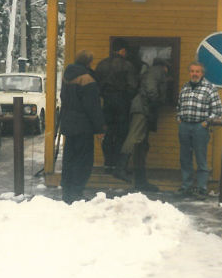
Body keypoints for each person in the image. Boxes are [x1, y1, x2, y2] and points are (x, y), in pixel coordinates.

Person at [114, 57, 170, 192]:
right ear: (165, 66)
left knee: (141, 145)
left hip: (143, 107)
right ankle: (120, 168)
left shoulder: (151, 70)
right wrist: (155, 100)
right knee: (135, 138)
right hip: (143, 108)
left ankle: (140, 181)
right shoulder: (157, 71)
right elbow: (151, 88)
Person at [59, 50, 105, 204]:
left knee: (69, 159)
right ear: (89, 62)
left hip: (68, 123)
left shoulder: (66, 75)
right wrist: (99, 129)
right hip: (83, 126)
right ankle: (77, 193)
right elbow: (93, 107)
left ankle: (66, 192)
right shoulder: (87, 79)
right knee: (83, 161)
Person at [176, 61, 222, 199]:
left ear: (202, 73)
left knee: (201, 159)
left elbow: (218, 111)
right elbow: (178, 106)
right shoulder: (185, 88)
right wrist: (178, 117)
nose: (194, 74)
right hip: (184, 126)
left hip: (200, 128)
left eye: (197, 71)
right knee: (185, 158)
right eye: (192, 71)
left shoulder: (210, 89)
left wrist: (206, 123)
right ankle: (186, 186)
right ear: (189, 72)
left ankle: (202, 188)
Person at [94, 39, 138, 172]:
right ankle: (118, 164)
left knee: (107, 133)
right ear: (122, 51)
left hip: (107, 102)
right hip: (122, 102)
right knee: (121, 133)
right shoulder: (127, 65)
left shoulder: (101, 64)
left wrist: (105, 95)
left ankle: (108, 163)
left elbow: (96, 85)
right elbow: (132, 86)